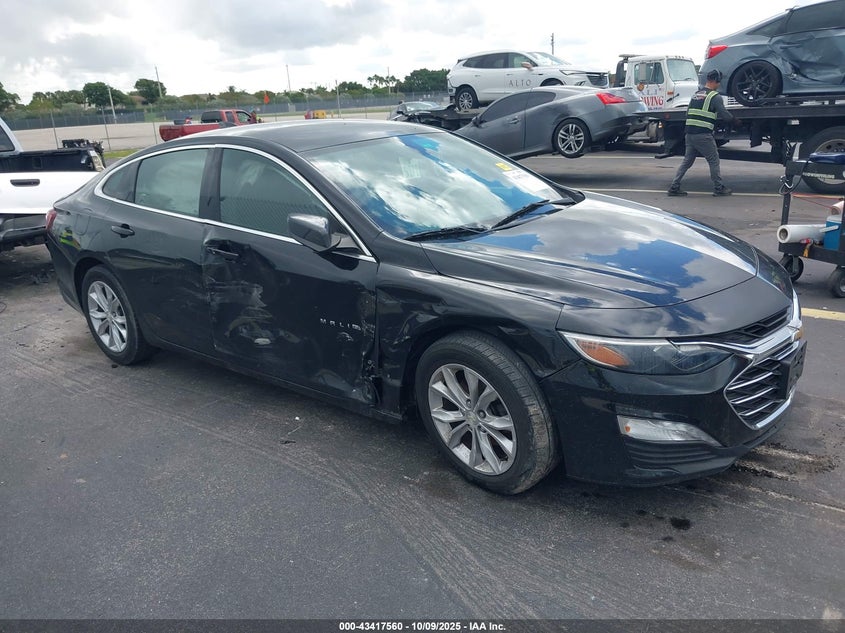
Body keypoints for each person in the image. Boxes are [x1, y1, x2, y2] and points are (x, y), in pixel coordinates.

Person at [668, 69, 741, 197]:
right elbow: (725, 115)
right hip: (703, 135)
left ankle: (674, 186)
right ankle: (719, 188)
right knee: (713, 160)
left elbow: (687, 113)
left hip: (689, 134)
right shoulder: (715, 97)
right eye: (719, 81)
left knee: (687, 161)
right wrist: (736, 122)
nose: (719, 84)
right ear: (716, 81)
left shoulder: (696, 95)